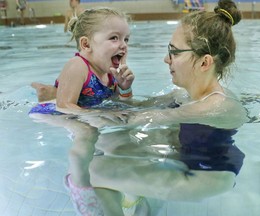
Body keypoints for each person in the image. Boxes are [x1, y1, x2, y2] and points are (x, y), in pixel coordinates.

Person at [77, 0, 248, 214]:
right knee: (107, 140)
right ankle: (141, 202)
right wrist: (121, 89)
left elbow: (137, 118)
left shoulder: (213, 105)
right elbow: (135, 109)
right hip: (183, 159)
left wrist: (68, 113)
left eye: (174, 52)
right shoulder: (183, 95)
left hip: (206, 177)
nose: (166, 59)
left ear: (204, 63)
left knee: (92, 170)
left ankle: (137, 199)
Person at [29, 7, 134, 215]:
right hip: (52, 110)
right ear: (86, 44)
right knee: (87, 132)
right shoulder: (78, 65)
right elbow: (64, 105)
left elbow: (121, 106)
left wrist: (125, 88)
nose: (123, 45)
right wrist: (97, 116)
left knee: (124, 129)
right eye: (114, 38)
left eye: (126, 39)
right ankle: (79, 185)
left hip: (85, 111)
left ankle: (119, 177)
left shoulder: (111, 73)